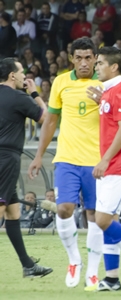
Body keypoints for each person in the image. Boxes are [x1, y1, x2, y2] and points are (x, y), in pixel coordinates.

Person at [28, 37, 103, 290]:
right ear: (72, 59)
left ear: (95, 58)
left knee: (94, 216)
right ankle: (75, 261)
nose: (83, 62)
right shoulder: (61, 82)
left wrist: (104, 104)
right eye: (78, 57)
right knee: (64, 209)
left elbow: (120, 120)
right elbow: (50, 121)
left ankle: (93, 271)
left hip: (97, 161)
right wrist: (39, 155)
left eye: (88, 57)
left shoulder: (105, 83)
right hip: (67, 159)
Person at [86, 47, 121, 291]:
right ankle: (112, 278)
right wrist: (103, 101)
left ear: (114, 67)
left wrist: (105, 160)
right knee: (110, 220)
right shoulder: (112, 92)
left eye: (99, 63)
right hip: (114, 165)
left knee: (103, 219)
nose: (96, 66)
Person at [0, 58, 52, 277]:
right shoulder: (19, 97)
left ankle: (28, 266)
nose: (24, 76)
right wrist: (35, 95)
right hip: (6, 158)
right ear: (12, 75)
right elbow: (48, 119)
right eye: (21, 72)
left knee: (13, 212)